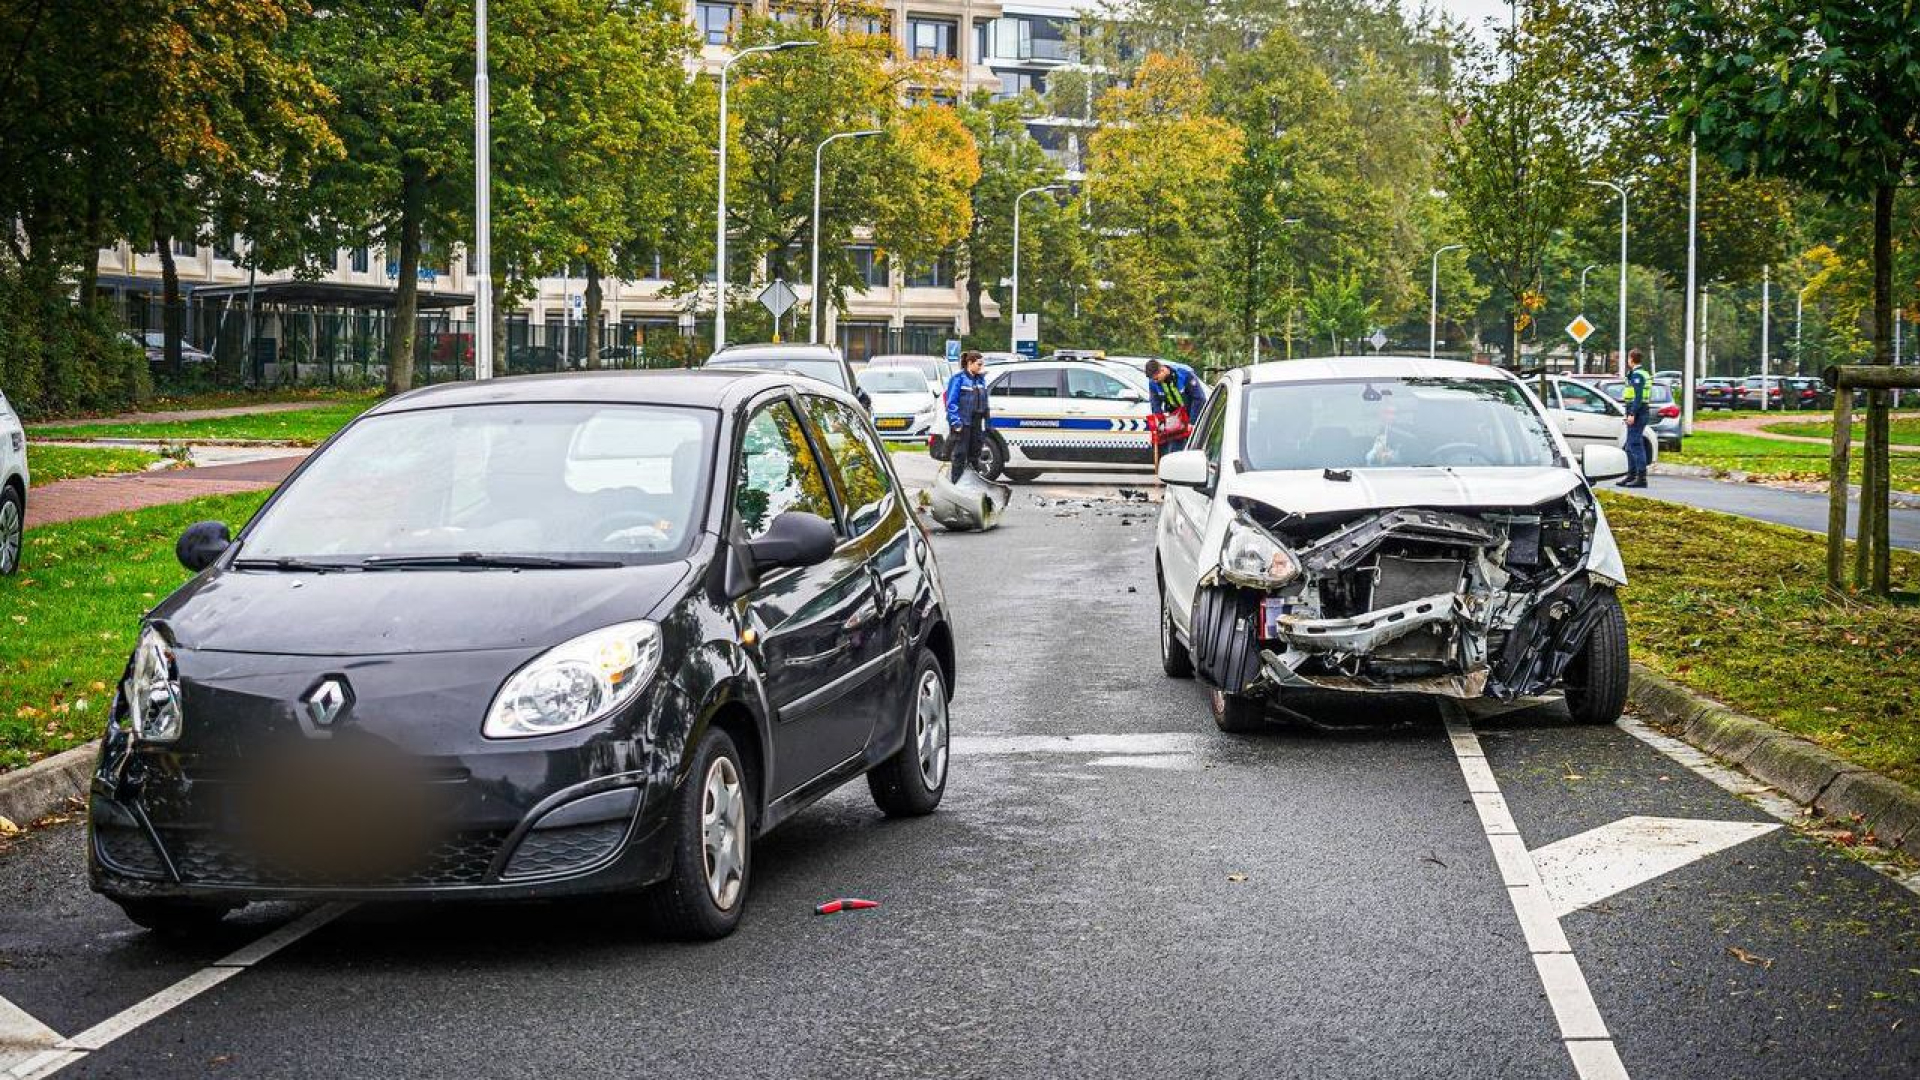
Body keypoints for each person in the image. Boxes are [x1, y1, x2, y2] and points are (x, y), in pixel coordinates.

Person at [944, 350, 990, 482]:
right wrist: (956, 422)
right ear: (970, 363)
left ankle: (973, 482)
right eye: (979, 364)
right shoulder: (959, 379)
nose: (981, 367)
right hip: (962, 422)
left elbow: (985, 401)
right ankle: (956, 482)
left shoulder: (980, 380)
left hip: (976, 422)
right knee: (960, 454)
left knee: (975, 453)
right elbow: (951, 402)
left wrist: (987, 423)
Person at [1143, 359, 1207, 454]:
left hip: (1192, 414)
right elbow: (1155, 402)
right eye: (1153, 379)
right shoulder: (1153, 382)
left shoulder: (1185, 375)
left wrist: (1192, 422)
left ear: (1162, 370)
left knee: (1195, 447)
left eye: (1156, 378)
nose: (1155, 382)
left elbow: (1199, 398)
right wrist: (1160, 420)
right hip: (1176, 416)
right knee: (1175, 448)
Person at [1619, 348, 1651, 488]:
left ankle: (1641, 478)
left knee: (1635, 444)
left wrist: (1632, 414)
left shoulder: (1638, 375)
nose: (1627, 360)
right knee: (1629, 445)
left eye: (1628, 358)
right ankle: (1631, 475)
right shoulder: (1636, 373)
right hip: (1635, 409)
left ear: (1631, 359)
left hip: (1638, 411)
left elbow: (1638, 396)